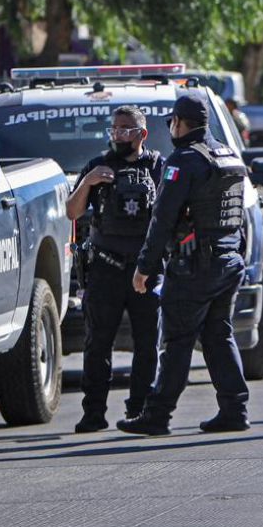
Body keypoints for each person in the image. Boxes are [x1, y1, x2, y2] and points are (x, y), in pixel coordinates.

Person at [118, 93, 250, 436]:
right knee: (218, 334)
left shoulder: (184, 161)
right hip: (229, 260)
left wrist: (144, 268)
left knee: (177, 340)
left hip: (195, 267)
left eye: (171, 122)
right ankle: (235, 410)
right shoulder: (227, 155)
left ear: (178, 123)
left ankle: (157, 415)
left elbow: (162, 219)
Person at [65, 106, 164, 433]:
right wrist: (88, 183)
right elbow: (72, 211)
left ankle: (139, 409)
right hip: (105, 267)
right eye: (115, 129)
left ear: (141, 134)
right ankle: (93, 412)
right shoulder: (98, 166)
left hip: (146, 269)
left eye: (126, 129)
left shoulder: (157, 166)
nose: (119, 134)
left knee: (147, 344)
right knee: (97, 344)